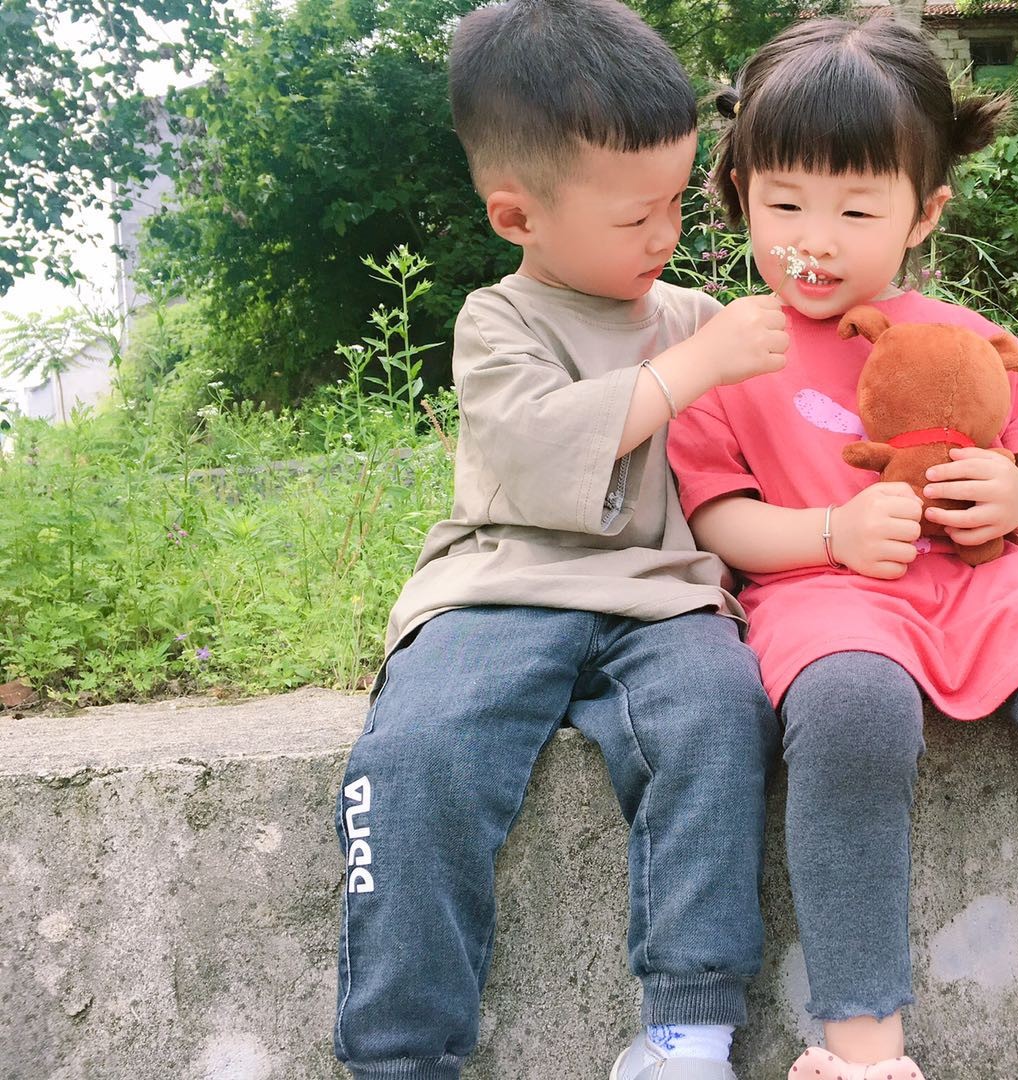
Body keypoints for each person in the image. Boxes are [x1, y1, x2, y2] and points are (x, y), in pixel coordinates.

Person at [665, 14, 1018, 1080]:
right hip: (823, 591)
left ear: (924, 212)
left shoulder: (962, 339)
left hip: (988, 582)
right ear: (740, 195)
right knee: (850, 710)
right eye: (784, 204)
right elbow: (717, 517)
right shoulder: (726, 352)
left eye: (855, 208)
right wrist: (828, 530)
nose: (815, 239)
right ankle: (863, 1054)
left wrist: (1016, 496)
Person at [332, 3, 793, 1078]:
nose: (666, 235)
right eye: (636, 216)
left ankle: (688, 1030)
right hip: (499, 591)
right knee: (411, 757)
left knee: (721, 713)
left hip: (666, 597)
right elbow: (540, 453)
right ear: (517, 216)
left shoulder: (694, 316)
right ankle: (401, 1054)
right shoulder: (499, 322)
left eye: (677, 201)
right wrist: (690, 370)